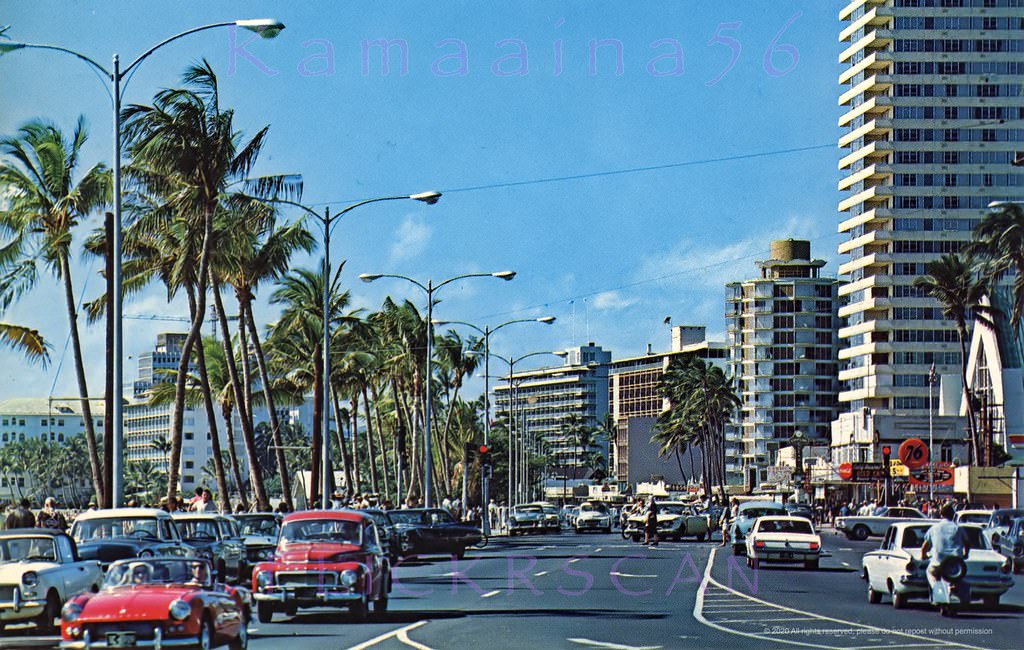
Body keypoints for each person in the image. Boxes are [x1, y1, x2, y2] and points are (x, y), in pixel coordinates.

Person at [921, 503, 968, 600]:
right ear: (952, 515)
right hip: (956, 564)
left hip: (937, 563)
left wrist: (923, 556)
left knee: (930, 572)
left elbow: (924, 547)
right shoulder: (958, 528)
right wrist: (965, 554)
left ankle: (936, 589)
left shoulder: (934, 528)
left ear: (941, 515)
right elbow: (967, 543)